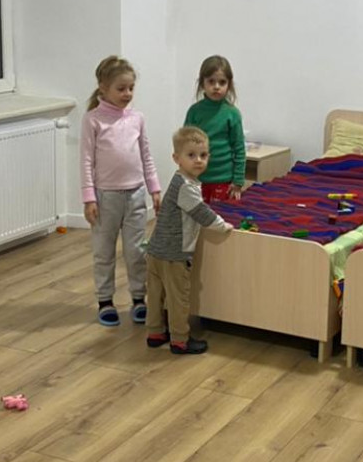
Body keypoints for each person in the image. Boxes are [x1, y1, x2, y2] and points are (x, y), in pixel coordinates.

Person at [80, 55, 162, 327]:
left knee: (136, 251)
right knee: (104, 252)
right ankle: (105, 301)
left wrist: (154, 188)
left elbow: (146, 155)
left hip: (136, 195)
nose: (127, 94)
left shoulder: (137, 118)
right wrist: (89, 197)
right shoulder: (93, 120)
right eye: (121, 88)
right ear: (103, 87)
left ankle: (139, 298)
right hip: (105, 198)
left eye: (131, 88)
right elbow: (86, 161)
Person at [145, 126, 233, 354]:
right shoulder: (186, 187)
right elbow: (202, 213)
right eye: (191, 155)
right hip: (174, 254)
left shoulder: (179, 180)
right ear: (177, 158)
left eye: (203, 155)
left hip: (155, 249)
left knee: (155, 295)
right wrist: (223, 226)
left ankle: (155, 332)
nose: (198, 160)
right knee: (178, 298)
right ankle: (180, 339)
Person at [184, 54, 246, 202]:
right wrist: (186, 174)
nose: (216, 86)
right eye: (211, 81)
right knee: (196, 215)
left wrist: (238, 181)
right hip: (198, 179)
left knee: (221, 215)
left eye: (222, 82)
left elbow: (239, 149)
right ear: (202, 83)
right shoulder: (194, 112)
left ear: (229, 85)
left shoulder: (232, 114)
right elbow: (185, 145)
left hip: (224, 181)